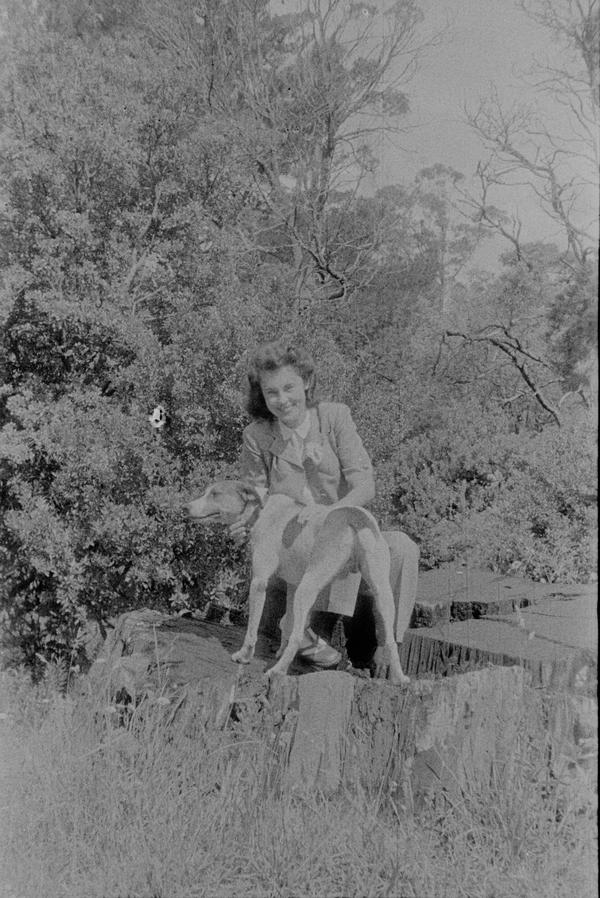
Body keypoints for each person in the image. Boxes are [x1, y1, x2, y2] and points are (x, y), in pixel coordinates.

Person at [229, 339, 419, 672]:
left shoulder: (334, 417)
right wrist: (242, 523)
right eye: (272, 392)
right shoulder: (257, 436)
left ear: (306, 382)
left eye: (289, 387)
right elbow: (254, 500)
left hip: (342, 528)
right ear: (262, 396)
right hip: (296, 548)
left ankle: (388, 646)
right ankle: (308, 636)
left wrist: (330, 511)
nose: (282, 399)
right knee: (328, 545)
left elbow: (365, 485)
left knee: (401, 548)